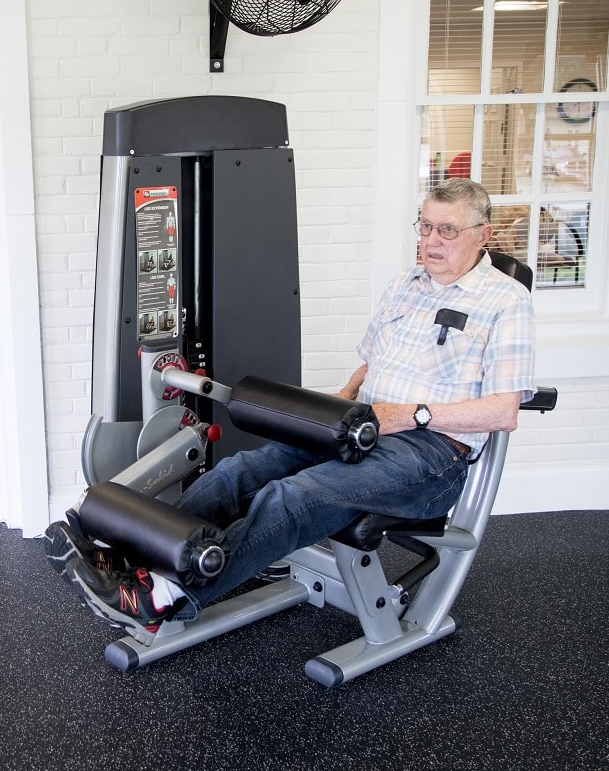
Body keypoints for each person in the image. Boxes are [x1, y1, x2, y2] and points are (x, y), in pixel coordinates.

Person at [47, 178, 536, 646]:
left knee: (292, 496)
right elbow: (368, 368)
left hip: (428, 454)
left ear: (482, 235)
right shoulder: (405, 284)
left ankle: (165, 595)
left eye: (446, 230)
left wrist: (412, 416)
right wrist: (330, 411)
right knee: (239, 471)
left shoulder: (505, 301)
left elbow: (503, 410)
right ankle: (130, 563)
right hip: (360, 428)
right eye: (425, 226)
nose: (431, 240)